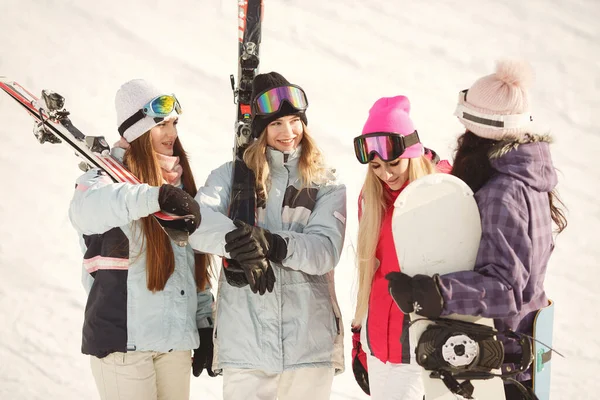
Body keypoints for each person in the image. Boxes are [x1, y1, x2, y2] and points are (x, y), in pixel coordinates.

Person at [386, 60, 568, 399]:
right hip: (516, 357)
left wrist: (437, 292)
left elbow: (506, 288)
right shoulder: (531, 179)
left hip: (497, 366)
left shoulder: (502, 192)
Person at [188, 72, 346, 400]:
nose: (288, 132)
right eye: (276, 124)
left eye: (294, 121)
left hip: (307, 344)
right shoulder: (230, 177)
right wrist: (243, 242)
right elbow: (198, 224)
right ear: (260, 130)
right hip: (245, 342)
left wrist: (271, 243)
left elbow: (325, 250)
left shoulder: (324, 183)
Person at [68, 79, 216, 400]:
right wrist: (155, 197)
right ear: (136, 129)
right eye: (161, 124)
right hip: (124, 346)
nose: (172, 133)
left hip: (174, 343)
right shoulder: (101, 180)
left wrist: (204, 321)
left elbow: (190, 262)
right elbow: (84, 212)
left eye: (174, 122)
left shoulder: (177, 186)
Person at [350, 95, 451, 400]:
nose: (386, 174)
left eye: (394, 163)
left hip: (421, 348)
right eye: (377, 166)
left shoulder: (442, 196)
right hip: (378, 347)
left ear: (414, 153)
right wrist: (360, 338)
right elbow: (370, 274)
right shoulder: (371, 200)